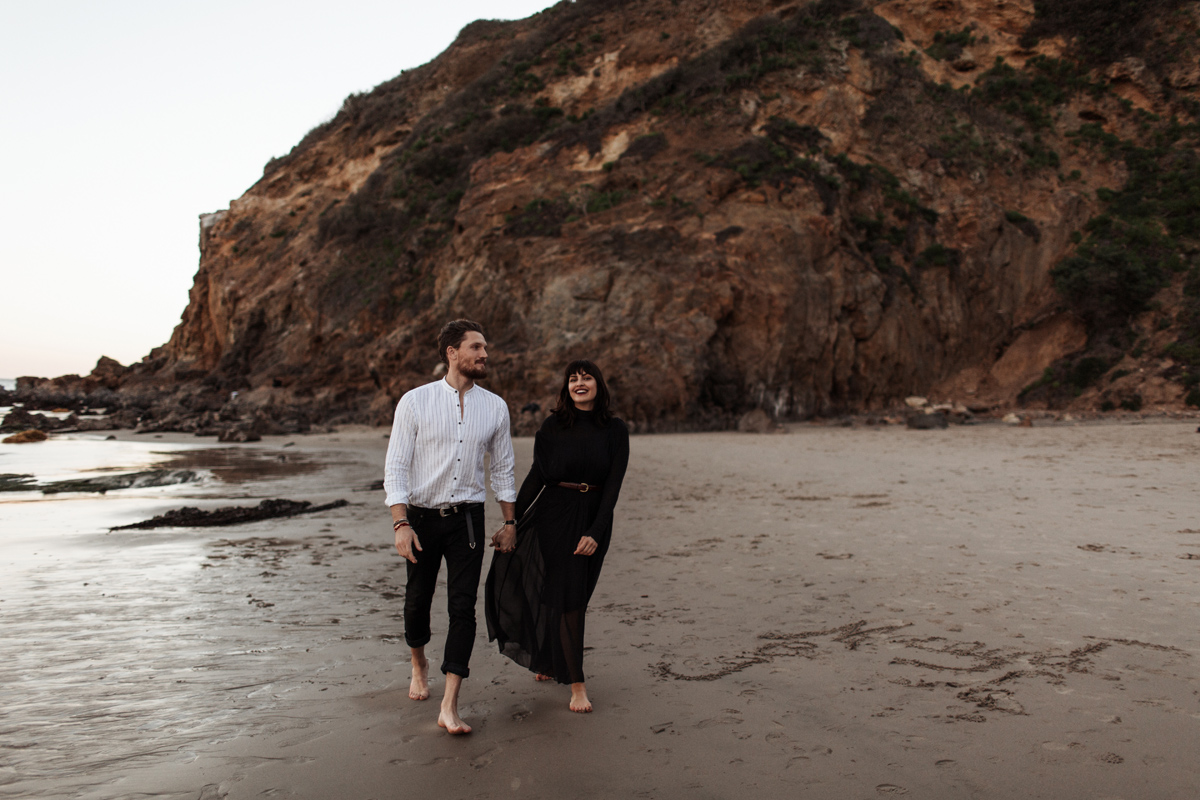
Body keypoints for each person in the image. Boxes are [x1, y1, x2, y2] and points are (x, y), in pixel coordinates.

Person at [384, 319, 518, 735]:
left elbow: (503, 470)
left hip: (468, 521)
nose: (484, 355)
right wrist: (400, 523)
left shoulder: (495, 407)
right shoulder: (415, 401)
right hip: (421, 518)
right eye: (476, 347)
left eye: (485, 349)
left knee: (463, 608)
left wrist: (510, 522)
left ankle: (449, 703)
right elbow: (396, 467)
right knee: (417, 600)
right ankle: (419, 662)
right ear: (452, 352)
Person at [485, 359, 629, 713]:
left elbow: (613, 487)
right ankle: (576, 683)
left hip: (592, 517)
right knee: (565, 595)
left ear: (598, 384)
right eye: (573, 379)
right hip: (553, 513)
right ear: (566, 387)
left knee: (573, 592)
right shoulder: (552, 427)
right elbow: (537, 476)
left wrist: (595, 531)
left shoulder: (615, 429)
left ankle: (550, 659)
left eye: (587, 378)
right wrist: (512, 521)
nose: (579, 383)